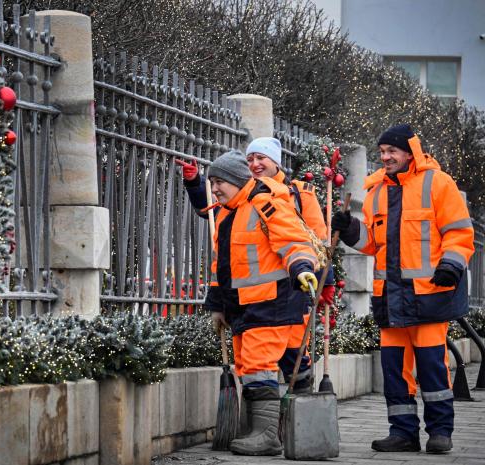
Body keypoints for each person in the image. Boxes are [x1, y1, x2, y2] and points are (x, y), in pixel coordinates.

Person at [331, 124, 474, 454]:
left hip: (428, 295)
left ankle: (440, 432)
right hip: (390, 299)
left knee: (432, 368)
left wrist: (451, 265)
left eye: (391, 151)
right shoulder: (376, 190)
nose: (385, 157)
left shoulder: (438, 184)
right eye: (381, 152)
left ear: (410, 151)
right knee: (394, 370)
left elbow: (458, 233)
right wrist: (350, 230)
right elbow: (372, 243)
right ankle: (403, 433)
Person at [176, 137, 334, 391]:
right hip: (248, 301)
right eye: (250, 159)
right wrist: (195, 183)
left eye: (261, 158)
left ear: (276, 162)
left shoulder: (296, 194)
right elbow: (211, 211)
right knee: (257, 364)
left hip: (290, 290)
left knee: (293, 355)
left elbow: (314, 242)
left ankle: (297, 408)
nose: (255, 163)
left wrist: (325, 280)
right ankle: (272, 419)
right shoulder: (233, 204)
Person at [203, 150, 319, 456]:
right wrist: (217, 305)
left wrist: (303, 268)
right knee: (247, 366)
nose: (214, 188)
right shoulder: (227, 213)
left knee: (258, 365)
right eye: (211, 181)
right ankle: (256, 428)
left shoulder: (265, 202)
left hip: (272, 301)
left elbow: (293, 241)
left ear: (236, 180)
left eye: (219, 182)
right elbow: (220, 266)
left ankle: (267, 435)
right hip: (243, 305)